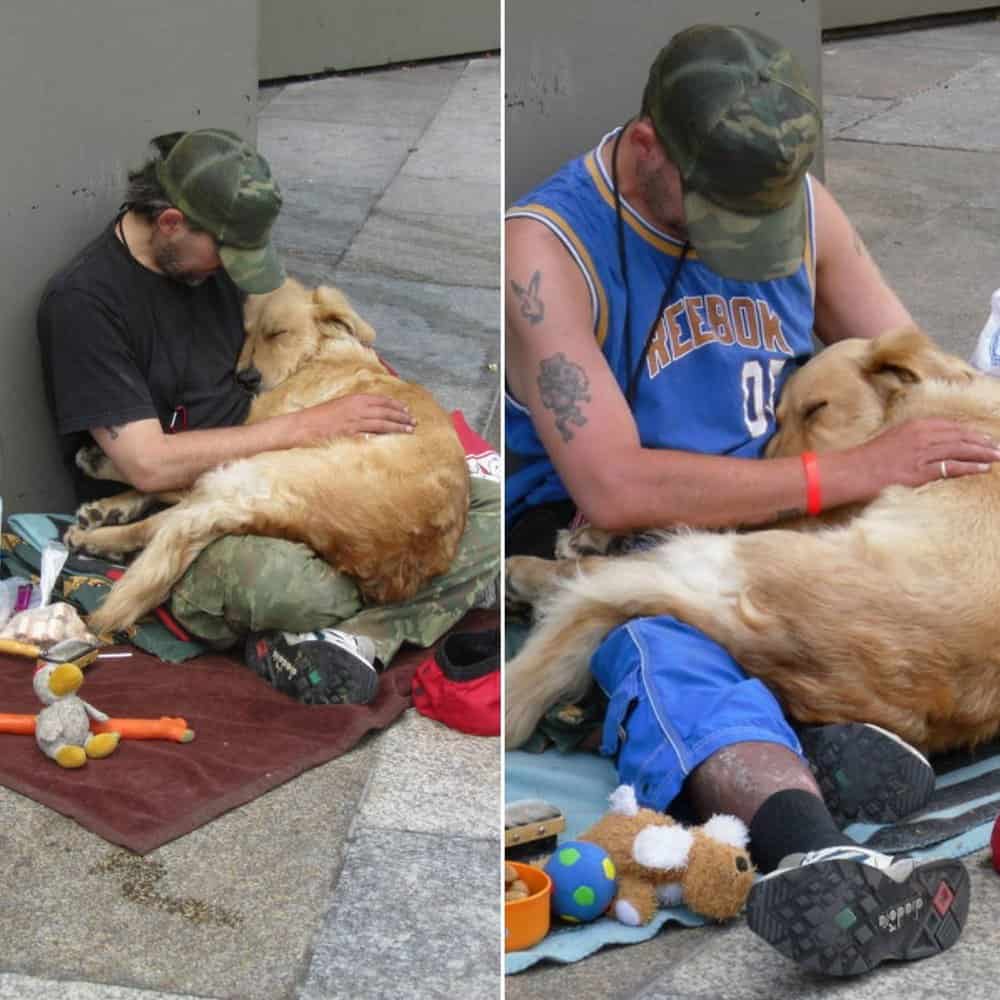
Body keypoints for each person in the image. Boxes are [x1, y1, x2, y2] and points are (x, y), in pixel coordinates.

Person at [505, 25, 989, 975]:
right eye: (724, 215)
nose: (751, 237)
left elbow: (916, 366)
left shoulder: (798, 202)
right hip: (625, 529)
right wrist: (840, 477)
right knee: (659, 640)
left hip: (797, 516)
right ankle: (815, 847)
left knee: (917, 603)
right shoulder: (545, 250)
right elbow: (614, 484)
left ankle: (845, 731)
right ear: (650, 147)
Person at [38, 128, 498, 706]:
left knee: (485, 504)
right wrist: (310, 426)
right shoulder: (86, 305)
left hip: (289, 475)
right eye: (229, 256)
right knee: (299, 586)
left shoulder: (209, 264)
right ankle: (344, 629)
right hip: (189, 501)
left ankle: (355, 637)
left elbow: (300, 328)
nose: (237, 273)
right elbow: (147, 464)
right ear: (172, 223)